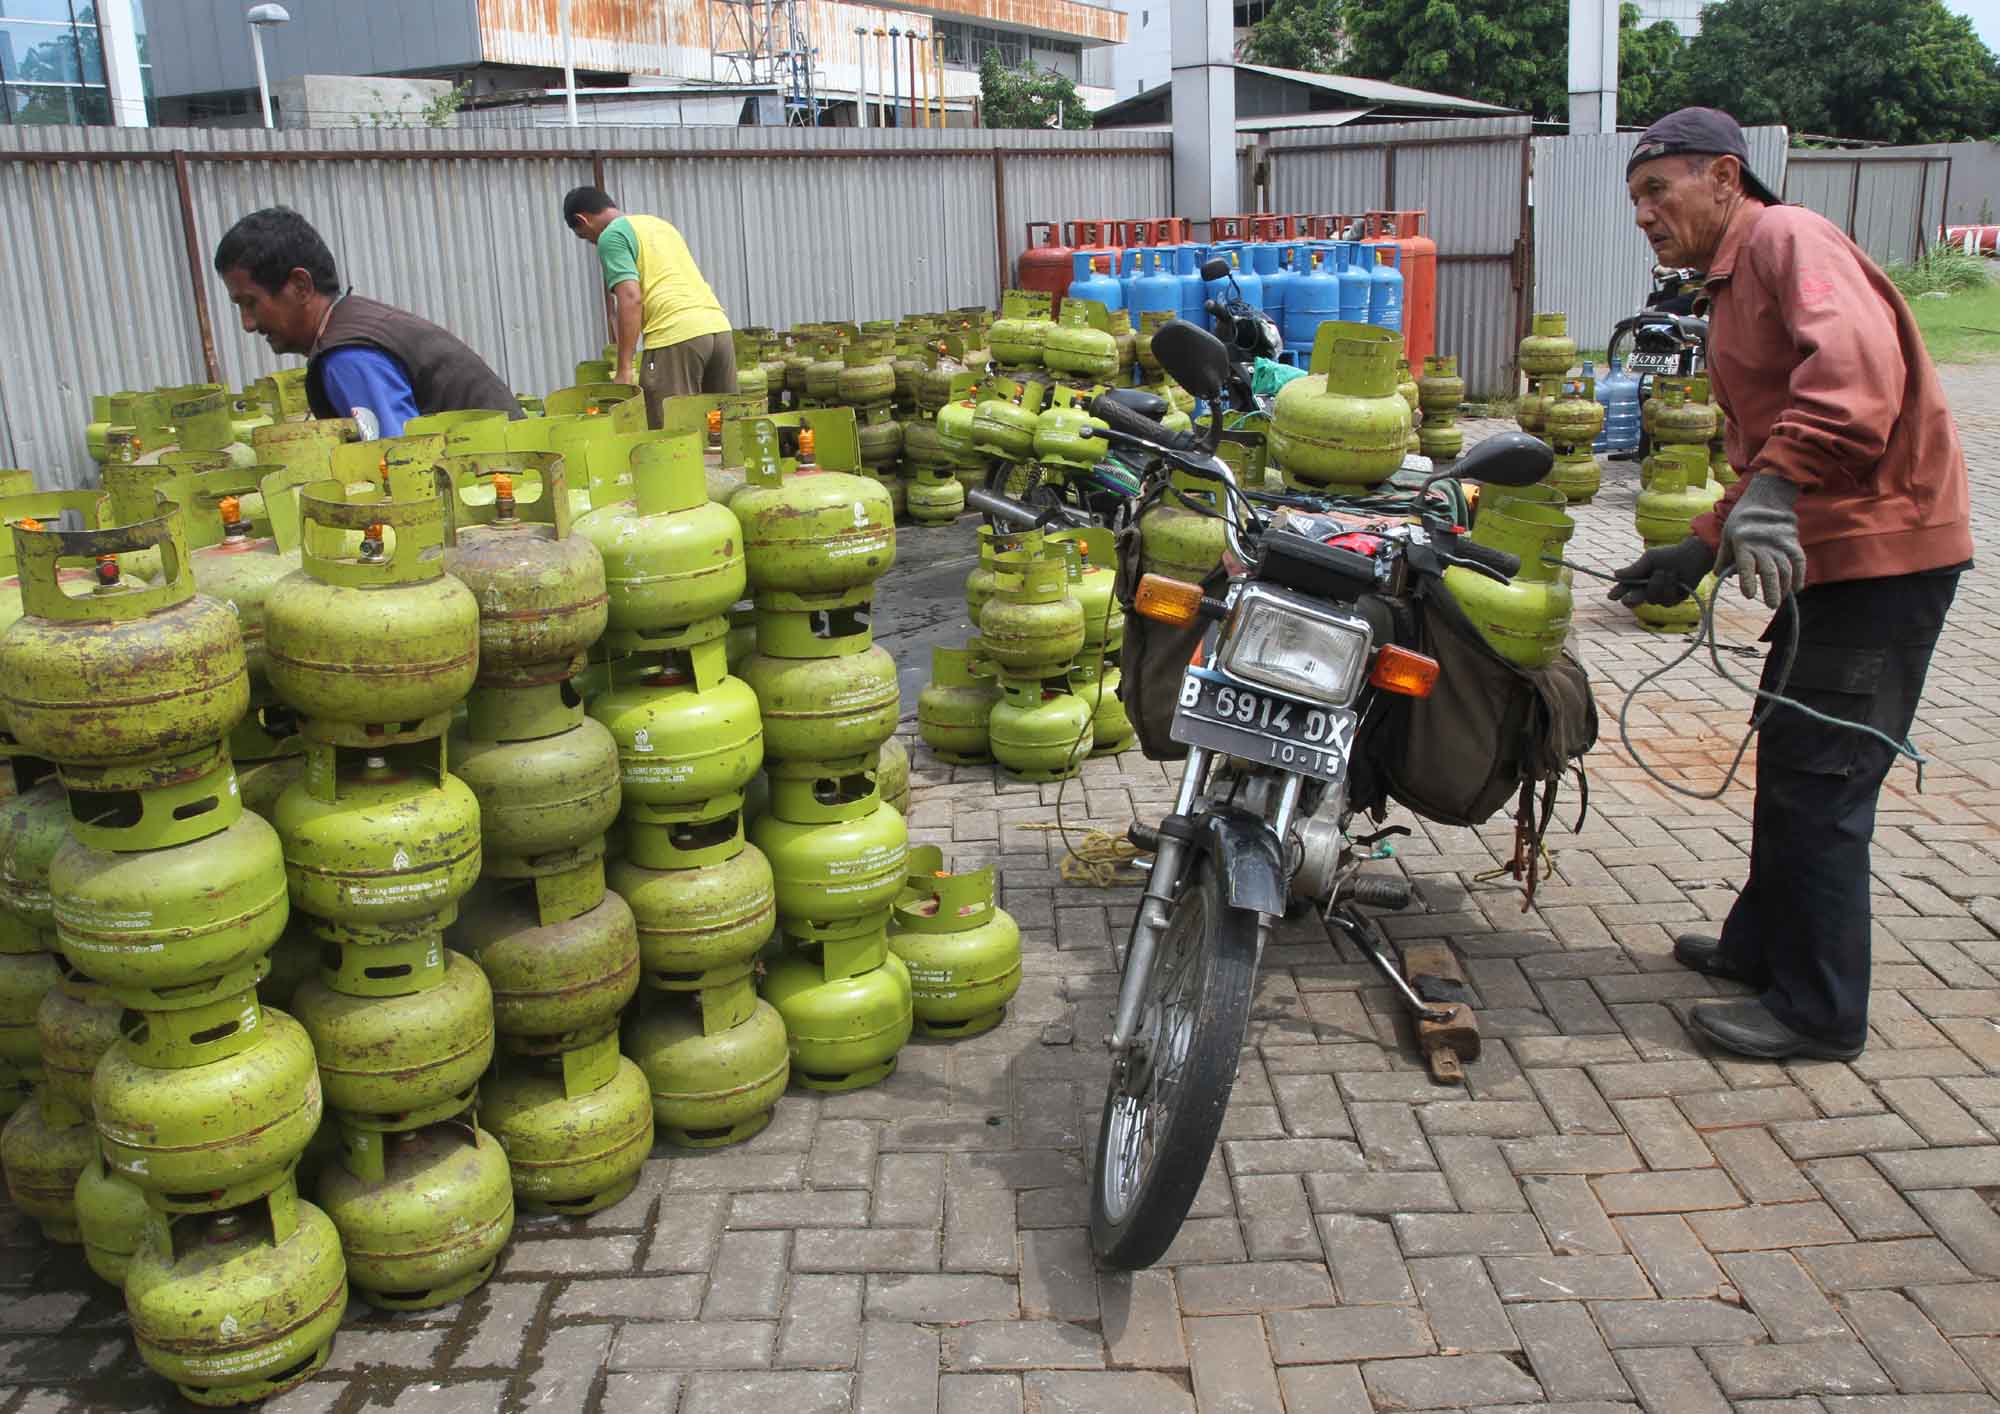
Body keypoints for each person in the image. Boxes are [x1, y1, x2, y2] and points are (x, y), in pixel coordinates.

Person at [1612, 108, 1972, 1061]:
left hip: (1883, 560)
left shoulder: (1785, 236)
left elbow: (1854, 376)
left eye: (1660, 190)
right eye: (1636, 199)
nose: (1644, 214)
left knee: (1823, 785)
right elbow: (1774, 439)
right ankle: (1760, 948)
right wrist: (1702, 541)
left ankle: (1819, 1013)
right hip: (1839, 561)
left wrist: (1773, 495)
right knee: (1791, 755)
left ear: (1726, 177)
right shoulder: (1730, 280)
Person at [213, 207, 518, 438]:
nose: (248, 324)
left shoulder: (348, 357)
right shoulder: (355, 324)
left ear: (300, 285)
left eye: (250, 303)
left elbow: (401, 465)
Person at [560, 187, 735, 426]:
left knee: (672, 434)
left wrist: (624, 369)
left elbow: (631, 297)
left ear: (582, 219)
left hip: (675, 334)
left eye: (584, 236)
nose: (591, 242)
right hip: (718, 328)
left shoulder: (611, 236)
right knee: (724, 429)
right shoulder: (659, 225)